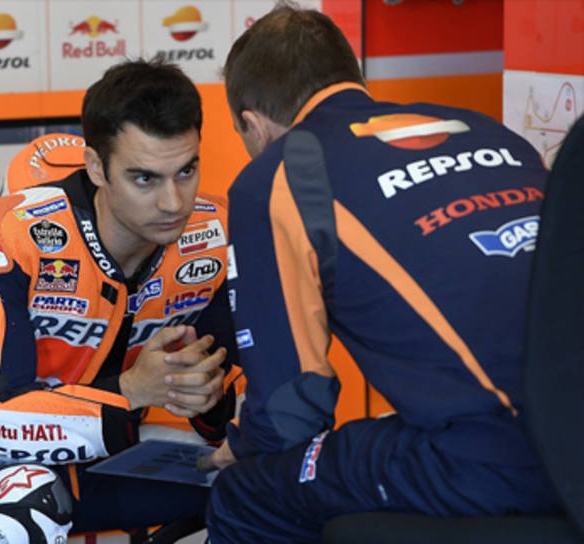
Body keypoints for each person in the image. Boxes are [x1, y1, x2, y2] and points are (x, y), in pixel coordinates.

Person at [201, 6, 559, 543]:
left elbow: (289, 411)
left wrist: (241, 447)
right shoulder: (488, 131)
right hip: (569, 431)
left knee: (244, 493)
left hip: (499, 456)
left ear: (252, 124)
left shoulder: (277, 177)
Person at [0, 59, 239, 542]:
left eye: (186, 171)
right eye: (145, 178)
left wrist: (207, 397)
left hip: (109, 452)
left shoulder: (216, 235)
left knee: (274, 476)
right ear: (95, 167)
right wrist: (131, 391)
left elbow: (224, 414)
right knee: (24, 505)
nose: (173, 202)